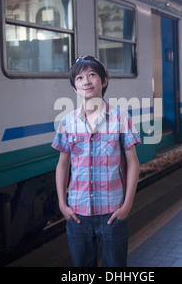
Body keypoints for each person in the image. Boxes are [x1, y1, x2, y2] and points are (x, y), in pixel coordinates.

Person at [52, 55, 141, 267]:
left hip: (112, 212)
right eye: (80, 77)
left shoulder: (121, 118)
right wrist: (62, 204)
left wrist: (127, 206)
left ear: (104, 80)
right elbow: (62, 164)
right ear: (75, 88)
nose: (87, 81)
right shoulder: (67, 122)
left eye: (92, 74)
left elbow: (133, 163)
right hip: (77, 215)